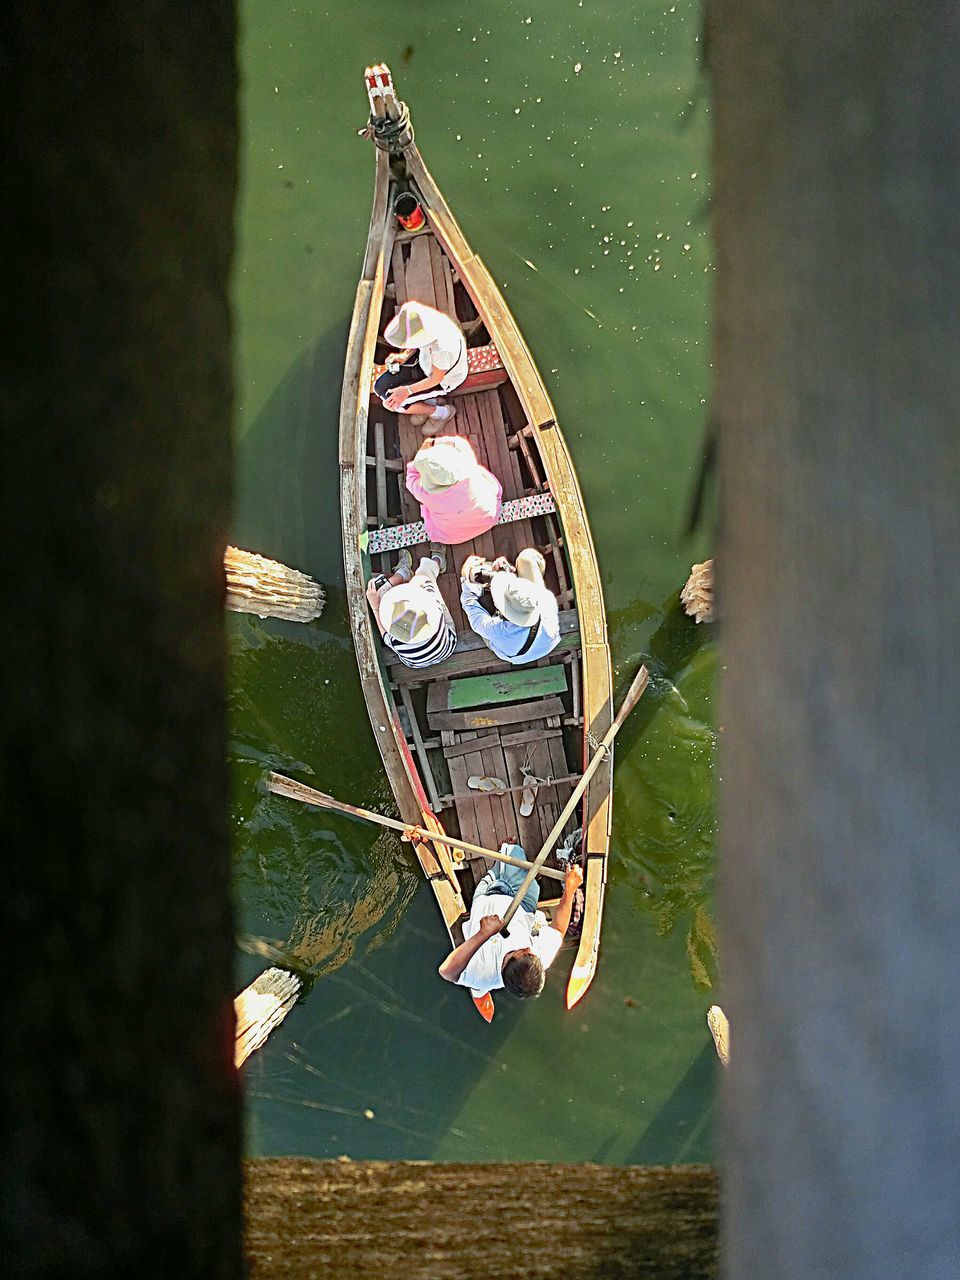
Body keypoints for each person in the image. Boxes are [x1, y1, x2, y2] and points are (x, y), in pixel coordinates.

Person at [438, 855, 583, 999]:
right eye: (530, 953)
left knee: (510, 855)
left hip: (489, 893)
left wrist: (484, 933)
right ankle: (510, 855)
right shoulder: (538, 958)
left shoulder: (483, 972)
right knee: (519, 858)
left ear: (504, 964)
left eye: (521, 951)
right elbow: (558, 929)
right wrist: (570, 890)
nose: (529, 948)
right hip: (522, 905)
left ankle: (501, 861)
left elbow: (446, 972)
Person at [375, 300, 468, 432]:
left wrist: (406, 391)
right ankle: (426, 402)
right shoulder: (424, 316)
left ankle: (440, 413)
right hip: (426, 361)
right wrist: (404, 356)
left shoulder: (442, 349)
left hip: (443, 379)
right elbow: (417, 341)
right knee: (380, 387)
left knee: (395, 404)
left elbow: (436, 379)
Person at [459, 548, 560, 664]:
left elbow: (469, 604)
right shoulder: (545, 601)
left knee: (481, 603)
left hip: (515, 655)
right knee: (527, 557)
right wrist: (507, 569)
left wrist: (465, 575)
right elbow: (521, 598)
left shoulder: (495, 629)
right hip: (548, 643)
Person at [365, 545, 457, 669]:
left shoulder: (396, 641)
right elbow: (422, 581)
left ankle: (403, 573)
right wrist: (415, 583)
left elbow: (385, 634)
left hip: (416, 664)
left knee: (380, 593)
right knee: (423, 574)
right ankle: (436, 562)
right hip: (447, 647)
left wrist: (375, 606)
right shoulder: (435, 613)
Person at [405, 436, 502, 547]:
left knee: (431, 512)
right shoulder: (467, 464)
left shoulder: (425, 494)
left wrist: (421, 457)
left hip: (450, 536)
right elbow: (459, 443)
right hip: (489, 519)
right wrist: (434, 442)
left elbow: (410, 478)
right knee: (483, 478)